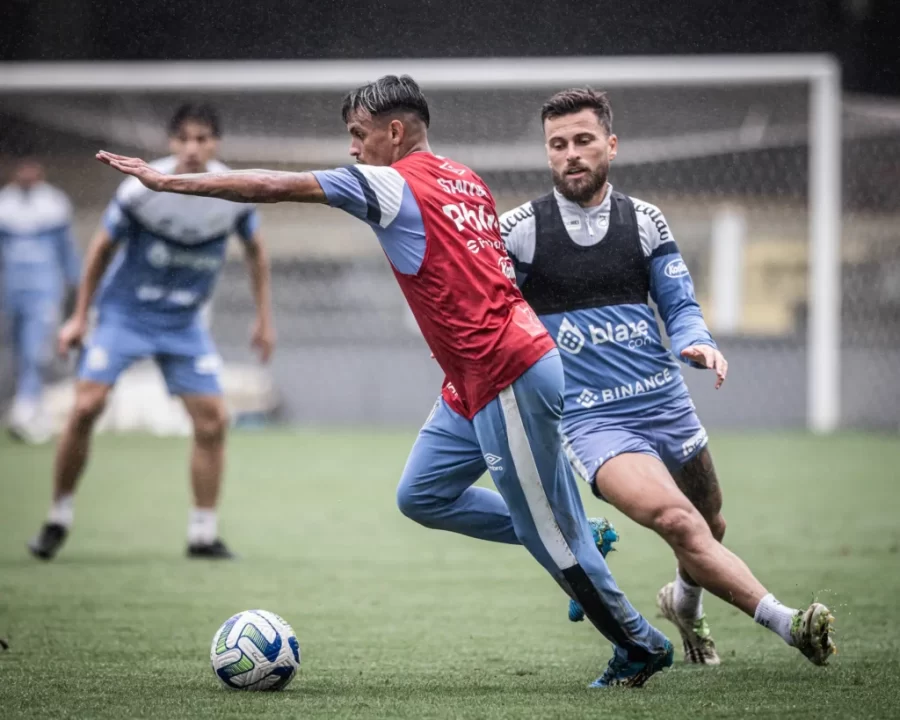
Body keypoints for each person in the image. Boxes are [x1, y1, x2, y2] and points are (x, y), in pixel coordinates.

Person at [95, 74, 675, 688]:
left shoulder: (387, 180)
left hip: (505, 371)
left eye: (357, 135)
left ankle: (638, 644)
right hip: (480, 373)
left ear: (394, 132)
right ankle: (582, 531)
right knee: (422, 494)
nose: (352, 149)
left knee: (545, 531)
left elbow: (275, 185)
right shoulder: (466, 177)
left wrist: (169, 181)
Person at [500, 87, 836, 667]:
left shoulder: (646, 220)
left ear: (611, 144)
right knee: (678, 519)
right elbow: (489, 305)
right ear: (547, 152)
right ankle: (789, 624)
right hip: (591, 420)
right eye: (558, 145)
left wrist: (697, 343)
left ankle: (682, 602)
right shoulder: (521, 231)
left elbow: (678, 305)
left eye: (583, 140)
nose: (571, 154)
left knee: (709, 522)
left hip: (665, 404)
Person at [28, 104, 276, 561]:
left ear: (216, 144)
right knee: (86, 406)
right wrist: (80, 317)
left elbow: (256, 251)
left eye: (203, 139)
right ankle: (57, 517)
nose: (193, 148)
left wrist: (263, 319)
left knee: (213, 420)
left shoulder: (232, 192)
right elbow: (102, 248)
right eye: (185, 139)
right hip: (125, 316)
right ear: (171, 143)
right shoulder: (141, 189)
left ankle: (203, 533)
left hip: (184, 323)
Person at [0, 159, 80, 443]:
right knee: (17, 350)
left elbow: (67, 250)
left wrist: (77, 286)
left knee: (38, 350)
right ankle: (31, 405)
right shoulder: (5, 204)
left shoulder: (53, 204)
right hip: (11, 292)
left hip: (44, 290)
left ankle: (26, 407)